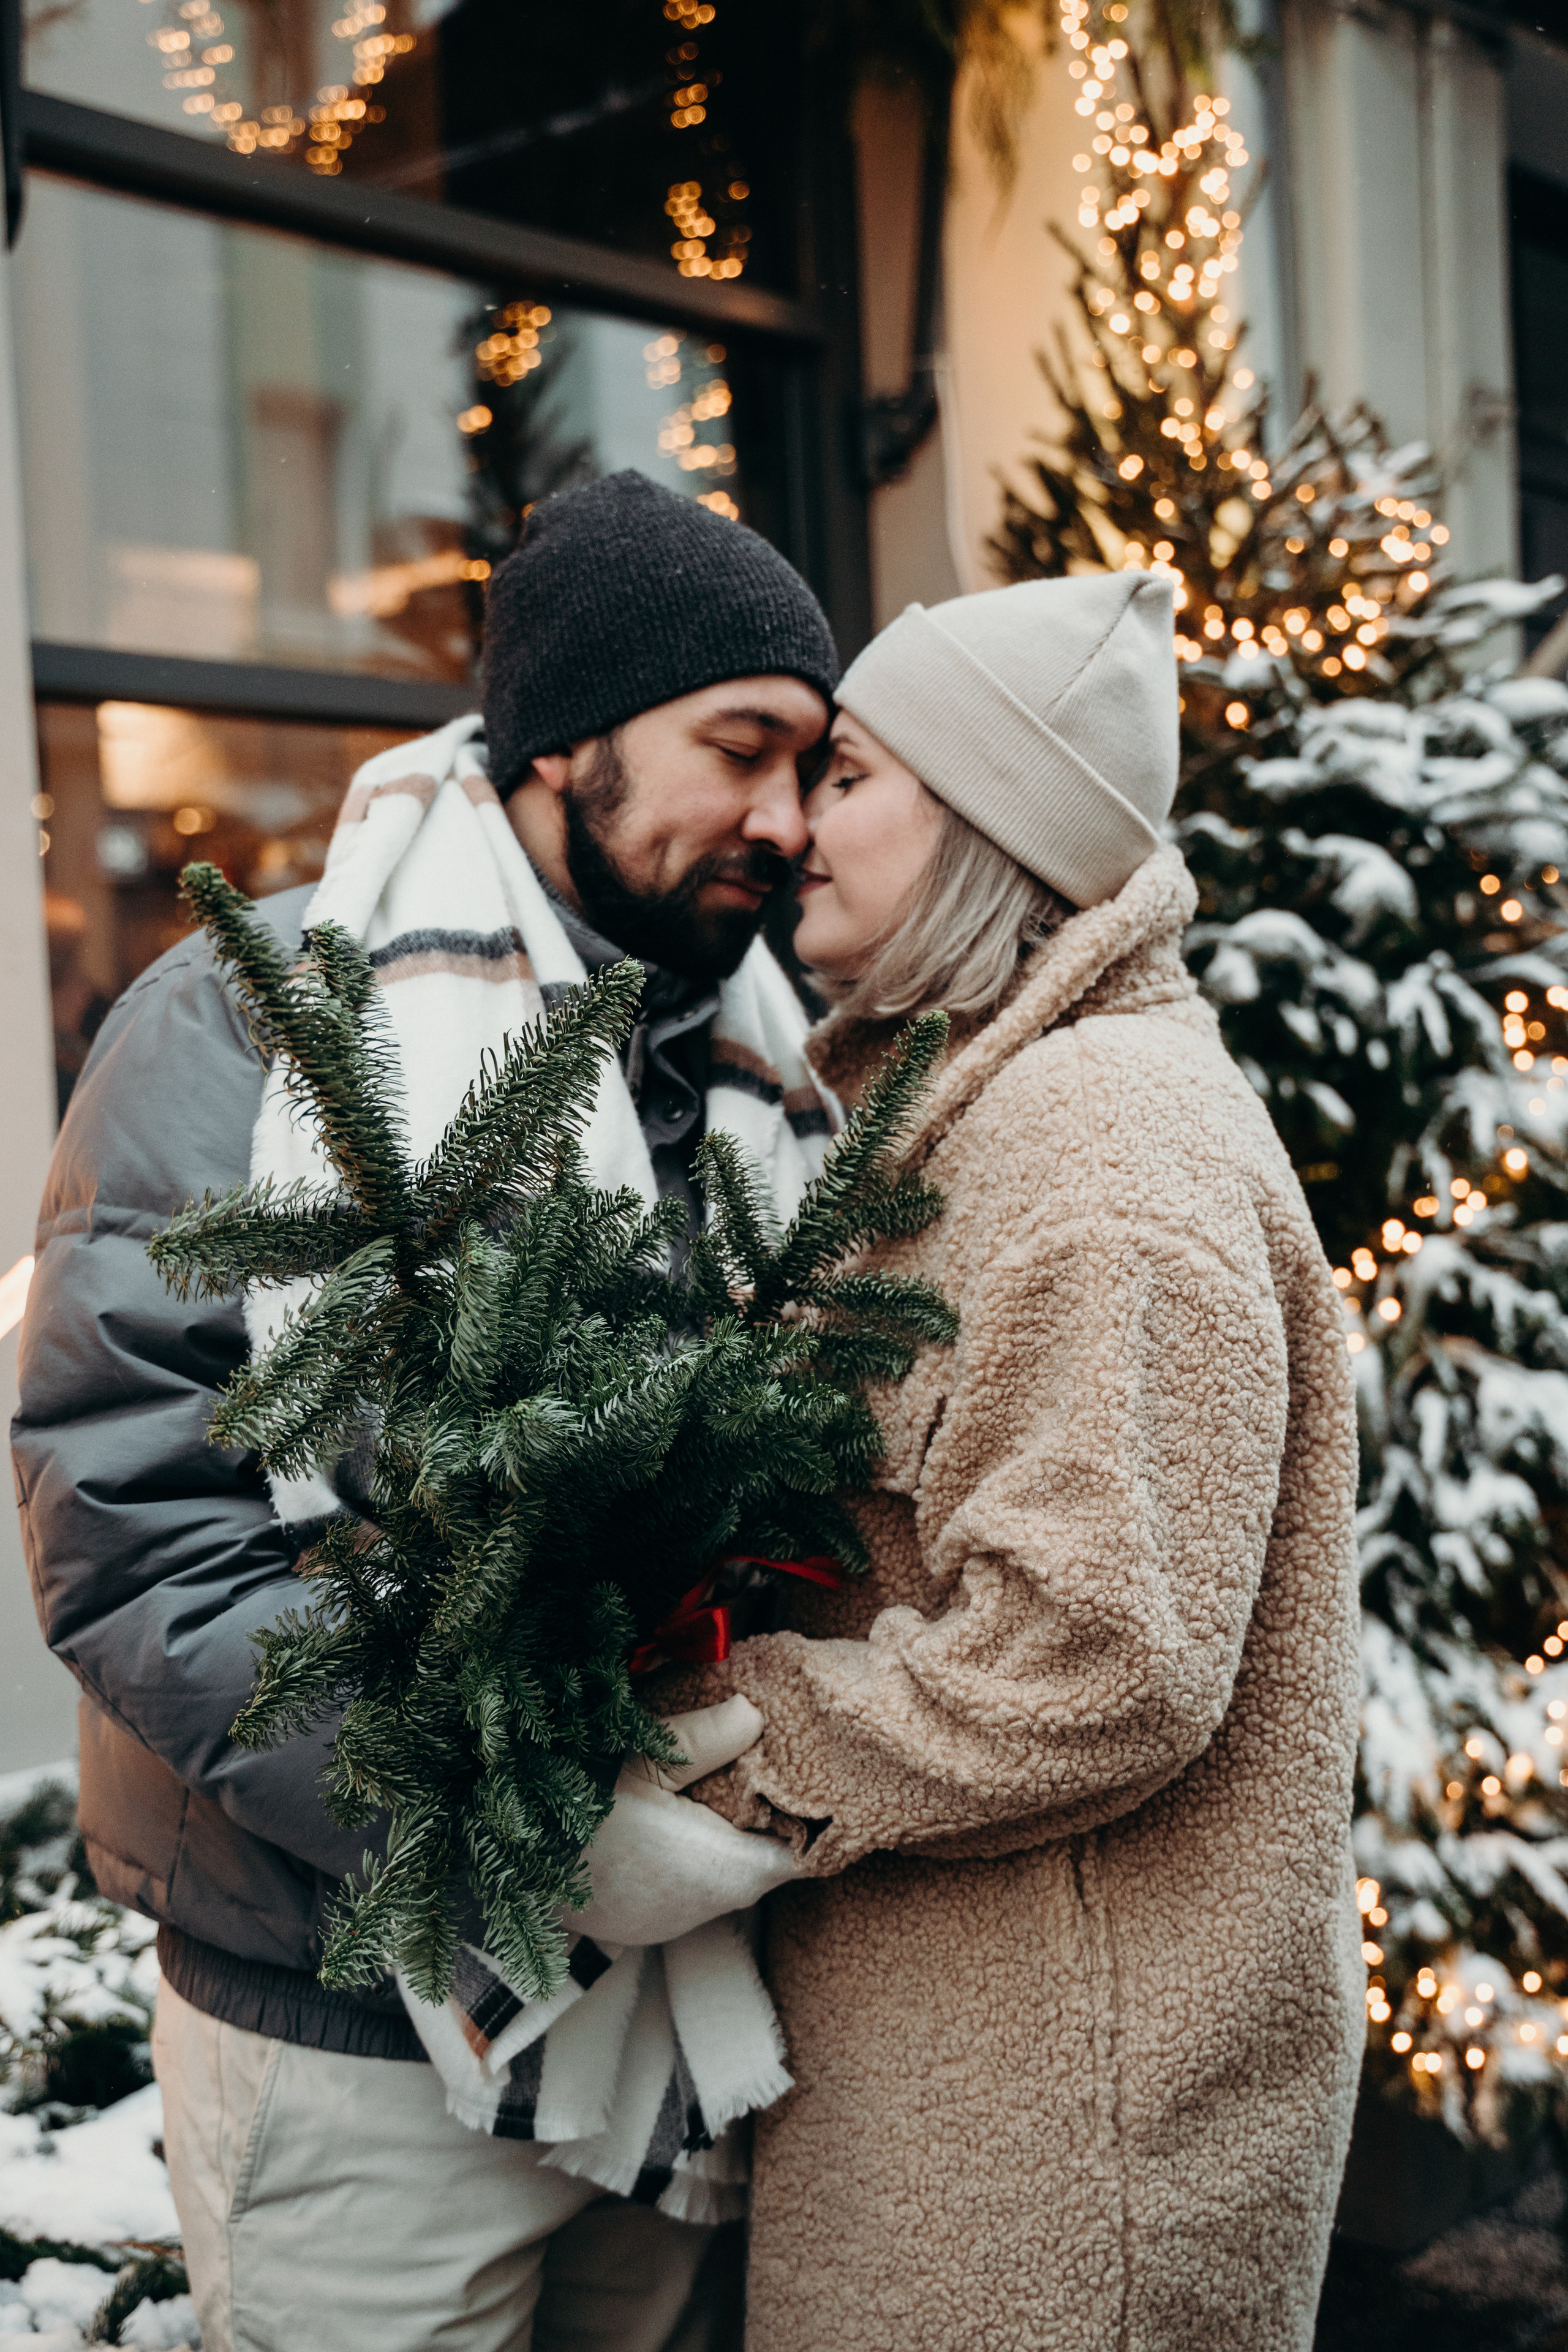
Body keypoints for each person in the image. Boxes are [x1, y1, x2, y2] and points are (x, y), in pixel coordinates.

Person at [12, 472, 838, 2352]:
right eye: (744, 749)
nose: (788, 824)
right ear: (567, 742)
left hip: (670, 2012)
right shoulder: (258, 1018)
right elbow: (133, 1523)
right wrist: (511, 1833)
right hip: (351, 2023)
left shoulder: (750, 1081)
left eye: (816, 767)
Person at [679, 573, 1365, 2352]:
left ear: (987, 818)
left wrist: (718, 1751)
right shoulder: (977, 1111)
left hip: (1064, 2156)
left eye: (849, 776)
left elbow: (1100, 1666)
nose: (793, 823)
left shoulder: (1097, 1151)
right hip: (956, 2076)